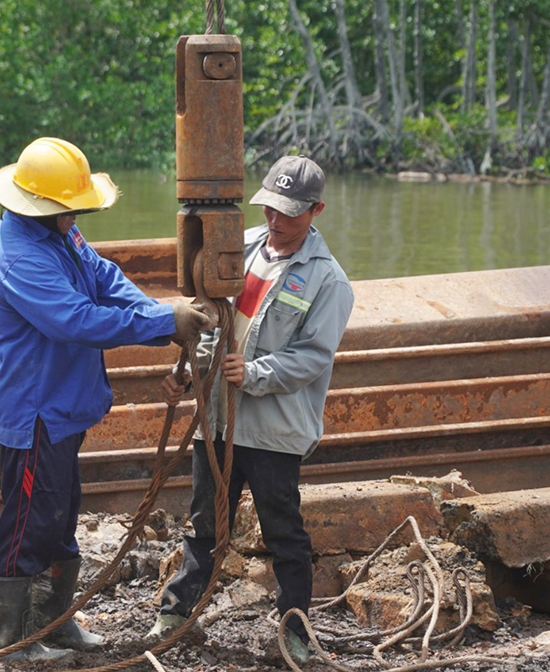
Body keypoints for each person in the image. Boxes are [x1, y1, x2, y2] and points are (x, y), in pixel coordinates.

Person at [0, 137, 213, 661]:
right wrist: (162, 321)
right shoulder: (22, 256)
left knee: (59, 516)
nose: (77, 217)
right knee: (29, 523)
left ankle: (55, 622)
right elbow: (77, 319)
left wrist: (160, 315)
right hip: (35, 409)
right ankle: (14, 642)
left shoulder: (58, 232)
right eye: (71, 210)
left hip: (61, 406)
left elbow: (102, 278)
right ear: (42, 206)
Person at [149, 155, 354, 666]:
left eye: (288, 212)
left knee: (283, 530)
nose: (275, 220)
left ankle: (295, 631)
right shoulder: (237, 255)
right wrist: (184, 374)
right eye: (270, 208)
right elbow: (211, 327)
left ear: (316, 211)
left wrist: (257, 375)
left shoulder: (328, 281)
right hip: (217, 420)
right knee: (204, 525)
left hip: (272, 432)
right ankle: (175, 614)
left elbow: (312, 357)